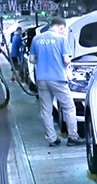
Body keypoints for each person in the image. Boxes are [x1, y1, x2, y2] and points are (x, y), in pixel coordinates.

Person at [29, 17, 82, 147]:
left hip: (42, 78)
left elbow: (32, 59)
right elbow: (66, 60)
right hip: (58, 78)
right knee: (69, 107)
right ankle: (73, 136)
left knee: (46, 110)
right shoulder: (61, 39)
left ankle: (52, 139)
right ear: (61, 27)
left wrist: (43, 61)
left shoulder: (37, 39)